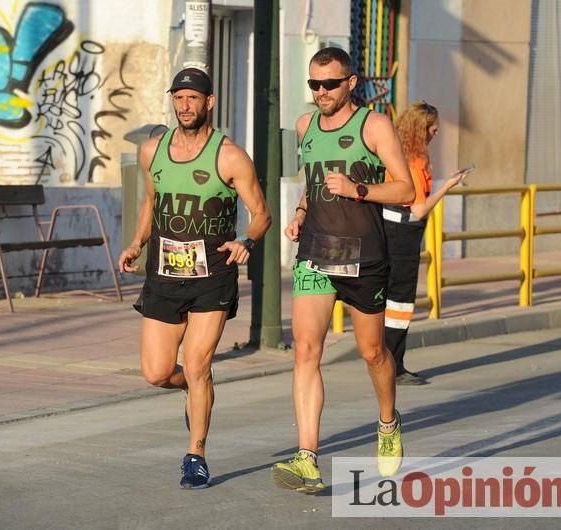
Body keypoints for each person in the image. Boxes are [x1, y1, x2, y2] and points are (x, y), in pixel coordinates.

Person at [118, 67, 270, 489]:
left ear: (210, 103)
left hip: (213, 276)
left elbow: (261, 214)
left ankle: (195, 454)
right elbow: (152, 201)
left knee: (199, 364)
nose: (185, 106)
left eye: (193, 99)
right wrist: (136, 242)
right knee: (157, 372)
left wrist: (247, 242)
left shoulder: (230, 156)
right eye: (179, 98)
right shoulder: (153, 150)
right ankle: (196, 391)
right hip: (164, 275)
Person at [272, 47, 415, 494]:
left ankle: (388, 422)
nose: (320, 93)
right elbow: (311, 183)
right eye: (314, 85)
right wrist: (299, 212)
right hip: (316, 252)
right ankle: (307, 457)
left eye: (329, 84)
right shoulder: (304, 126)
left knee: (372, 353)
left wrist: (358, 188)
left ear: (350, 83)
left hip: (365, 257)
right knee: (305, 351)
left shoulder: (373, 125)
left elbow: (406, 188)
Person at [383, 102, 469, 385]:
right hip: (404, 233)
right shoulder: (415, 161)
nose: (436, 132)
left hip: (386, 227)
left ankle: (383, 360)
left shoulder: (394, 151)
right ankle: (393, 366)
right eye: (432, 128)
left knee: (385, 299)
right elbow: (419, 209)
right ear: (420, 129)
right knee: (400, 302)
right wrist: (448, 186)